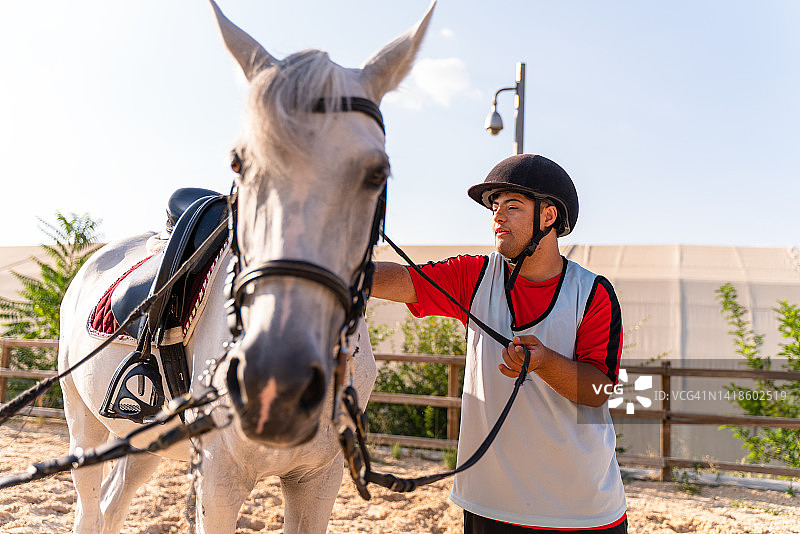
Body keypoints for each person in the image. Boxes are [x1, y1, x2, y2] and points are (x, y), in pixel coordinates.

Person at [371, 154, 627, 533]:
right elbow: (402, 281)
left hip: (581, 511)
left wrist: (544, 362)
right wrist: (326, 269)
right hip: (489, 504)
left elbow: (598, 390)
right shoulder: (473, 276)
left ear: (548, 217)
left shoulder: (593, 293)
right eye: (495, 207)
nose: (497, 216)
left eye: (512, 206)